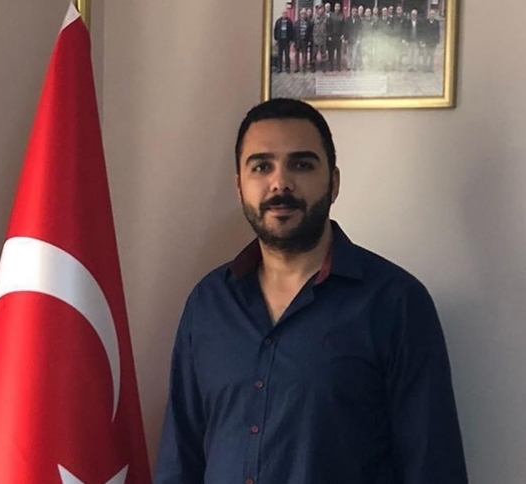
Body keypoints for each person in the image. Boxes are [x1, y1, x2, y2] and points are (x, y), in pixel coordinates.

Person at [153, 98, 469, 484]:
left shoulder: (396, 303)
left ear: (333, 183)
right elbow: (180, 458)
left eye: (301, 165)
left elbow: (432, 465)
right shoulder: (208, 303)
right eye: (261, 166)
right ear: (239, 186)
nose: (280, 183)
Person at [326, 3, 345, 71]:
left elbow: (343, 26)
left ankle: (338, 66)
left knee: (339, 52)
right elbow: (329, 26)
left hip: (339, 36)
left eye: (338, 6)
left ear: (340, 8)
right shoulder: (331, 16)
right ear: (334, 7)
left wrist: (343, 34)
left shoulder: (342, 15)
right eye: (336, 6)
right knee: (331, 52)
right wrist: (329, 35)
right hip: (332, 36)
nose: (337, 8)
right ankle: (331, 66)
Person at [312, 5, 329, 72]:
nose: (321, 10)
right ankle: (313, 67)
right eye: (320, 9)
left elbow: (328, 27)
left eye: (322, 9)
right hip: (315, 37)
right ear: (318, 10)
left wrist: (327, 35)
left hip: (323, 38)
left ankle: (323, 67)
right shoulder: (314, 17)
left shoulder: (326, 17)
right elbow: (311, 27)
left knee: (323, 53)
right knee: (314, 53)